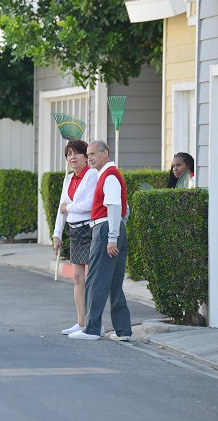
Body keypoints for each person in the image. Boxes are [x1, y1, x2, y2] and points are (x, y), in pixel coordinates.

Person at [69, 140, 131, 341]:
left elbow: (114, 206)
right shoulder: (109, 175)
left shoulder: (108, 175)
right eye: (89, 154)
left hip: (104, 229)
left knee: (95, 280)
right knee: (114, 283)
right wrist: (118, 229)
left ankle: (92, 329)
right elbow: (125, 208)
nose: (90, 158)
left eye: (94, 153)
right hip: (112, 228)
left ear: (106, 153)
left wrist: (112, 236)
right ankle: (123, 331)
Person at [52, 140, 100, 336]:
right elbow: (61, 207)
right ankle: (81, 322)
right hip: (74, 231)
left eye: (76, 153)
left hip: (91, 230)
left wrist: (69, 207)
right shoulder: (68, 179)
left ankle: (94, 323)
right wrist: (57, 234)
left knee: (93, 279)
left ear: (86, 156)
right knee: (77, 278)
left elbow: (90, 203)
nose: (72, 157)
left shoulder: (93, 175)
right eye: (69, 154)